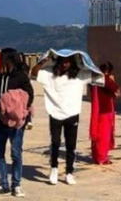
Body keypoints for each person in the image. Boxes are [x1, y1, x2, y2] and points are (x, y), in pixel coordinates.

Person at [32, 52, 93, 186]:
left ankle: (69, 172)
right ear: (58, 62)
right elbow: (34, 72)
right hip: (55, 113)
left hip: (72, 113)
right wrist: (43, 61)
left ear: (72, 63)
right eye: (63, 61)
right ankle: (54, 168)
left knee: (71, 145)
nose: (65, 64)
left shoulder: (79, 76)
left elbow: (94, 74)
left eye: (68, 61)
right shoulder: (49, 75)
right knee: (55, 142)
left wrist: (84, 61)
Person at [0, 48, 34, 198]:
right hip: (1, 120)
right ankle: (3, 184)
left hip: (16, 122)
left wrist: (18, 110)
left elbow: (30, 96)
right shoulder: (2, 76)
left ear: (10, 60)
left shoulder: (21, 77)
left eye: (3, 60)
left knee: (16, 153)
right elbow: (0, 95)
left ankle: (17, 184)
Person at [89, 61, 121, 165]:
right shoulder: (105, 79)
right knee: (104, 135)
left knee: (97, 134)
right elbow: (116, 89)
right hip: (105, 110)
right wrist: (112, 80)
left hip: (97, 110)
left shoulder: (94, 78)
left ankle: (96, 156)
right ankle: (102, 157)